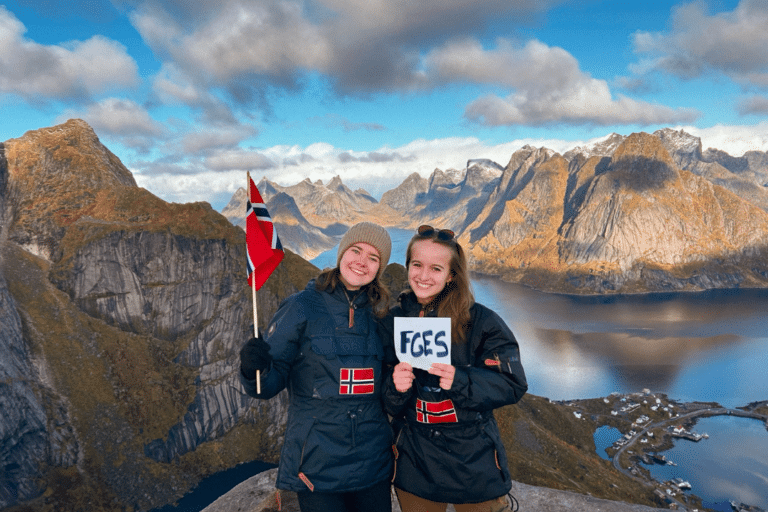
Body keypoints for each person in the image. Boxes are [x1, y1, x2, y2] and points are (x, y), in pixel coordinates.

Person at [240, 222, 395, 512]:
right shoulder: (301, 306)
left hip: (372, 463)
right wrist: (253, 369)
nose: (362, 261)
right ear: (341, 253)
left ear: (379, 268)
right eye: (356, 250)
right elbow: (267, 386)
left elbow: (389, 390)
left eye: (373, 258)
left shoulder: (382, 316)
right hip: (316, 465)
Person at [381, 225, 528, 512]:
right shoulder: (391, 320)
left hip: (474, 466)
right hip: (416, 465)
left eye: (436, 268)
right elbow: (386, 402)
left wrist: (460, 380)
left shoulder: (482, 322)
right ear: (408, 265)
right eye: (417, 265)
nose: (423, 276)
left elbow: (512, 384)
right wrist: (395, 386)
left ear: (451, 276)